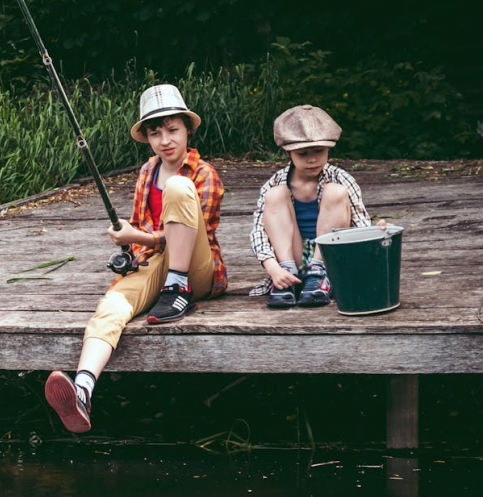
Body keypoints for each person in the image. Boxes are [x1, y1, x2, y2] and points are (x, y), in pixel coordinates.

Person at [44, 84, 228, 433]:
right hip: (156, 261)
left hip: (196, 271)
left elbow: (187, 234)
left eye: (173, 130)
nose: (165, 141)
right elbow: (146, 235)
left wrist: (136, 236)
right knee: (111, 306)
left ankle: (178, 290)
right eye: (155, 133)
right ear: (147, 138)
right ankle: (83, 389)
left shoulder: (204, 174)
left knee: (177, 189)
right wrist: (129, 246)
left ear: (188, 130)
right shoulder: (147, 172)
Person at [250, 104, 385, 308]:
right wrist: (273, 268)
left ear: (328, 149)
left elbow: (360, 223)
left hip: (331, 258)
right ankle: (287, 275)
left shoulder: (341, 178)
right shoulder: (276, 181)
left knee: (336, 191)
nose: (312, 159)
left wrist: (376, 233)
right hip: (291, 255)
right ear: (288, 153)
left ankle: (319, 273)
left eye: (318, 151)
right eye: (302, 153)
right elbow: (259, 231)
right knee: (274, 195)